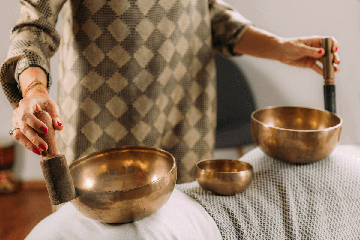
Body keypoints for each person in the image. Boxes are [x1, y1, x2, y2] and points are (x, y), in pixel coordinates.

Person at [1, 0, 340, 184]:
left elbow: (204, 11)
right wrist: (33, 88)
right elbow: (34, 24)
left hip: (187, 126)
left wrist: (278, 48)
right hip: (103, 134)